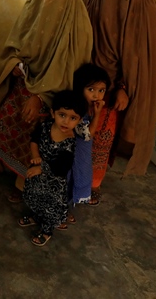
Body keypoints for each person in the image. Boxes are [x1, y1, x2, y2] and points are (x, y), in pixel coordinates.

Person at [0, 0, 92, 202]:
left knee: (36, 133)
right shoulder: (33, 6)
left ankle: (25, 183)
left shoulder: (79, 23)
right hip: (22, 83)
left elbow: (71, 69)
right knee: (5, 119)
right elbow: (13, 47)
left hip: (51, 97)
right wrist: (15, 64)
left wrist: (39, 96)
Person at [82, 0, 156, 204]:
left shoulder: (145, 9)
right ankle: (72, 178)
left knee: (102, 140)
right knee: (77, 134)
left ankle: (93, 183)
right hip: (83, 85)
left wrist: (124, 86)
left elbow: (142, 57)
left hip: (116, 92)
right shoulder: (89, 0)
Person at [17, 90, 86, 247]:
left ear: (79, 120)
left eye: (72, 118)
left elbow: (62, 166)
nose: (66, 121)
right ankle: (36, 216)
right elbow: (34, 140)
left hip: (53, 183)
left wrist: (41, 168)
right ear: (52, 112)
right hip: (36, 174)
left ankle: (47, 230)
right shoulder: (45, 126)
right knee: (33, 196)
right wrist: (35, 157)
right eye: (62, 115)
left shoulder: (70, 141)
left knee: (50, 206)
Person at [67, 63, 110, 211]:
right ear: (80, 88)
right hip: (73, 154)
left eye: (101, 91)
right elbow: (87, 135)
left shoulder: (89, 108)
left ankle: (65, 211)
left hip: (81, 154)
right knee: (69, 179)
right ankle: (61, 214)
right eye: (91, 89)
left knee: (76, 178)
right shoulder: (79, 110)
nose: (96, 95)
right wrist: (98, 115)